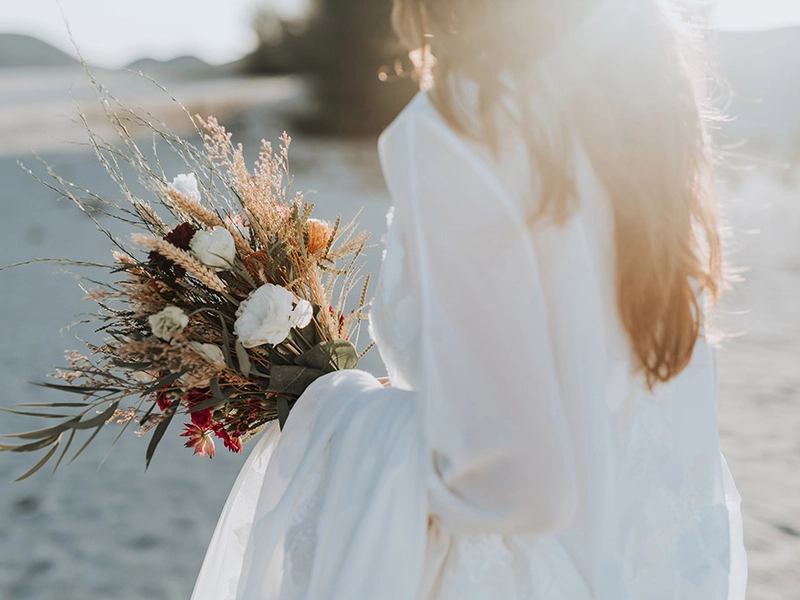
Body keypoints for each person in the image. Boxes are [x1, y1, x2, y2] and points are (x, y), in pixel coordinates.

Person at [191, 0, 748, 598]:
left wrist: (331, 408)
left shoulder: (459, 126)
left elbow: (511, 479)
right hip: (660, 566)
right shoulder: (645, 115)